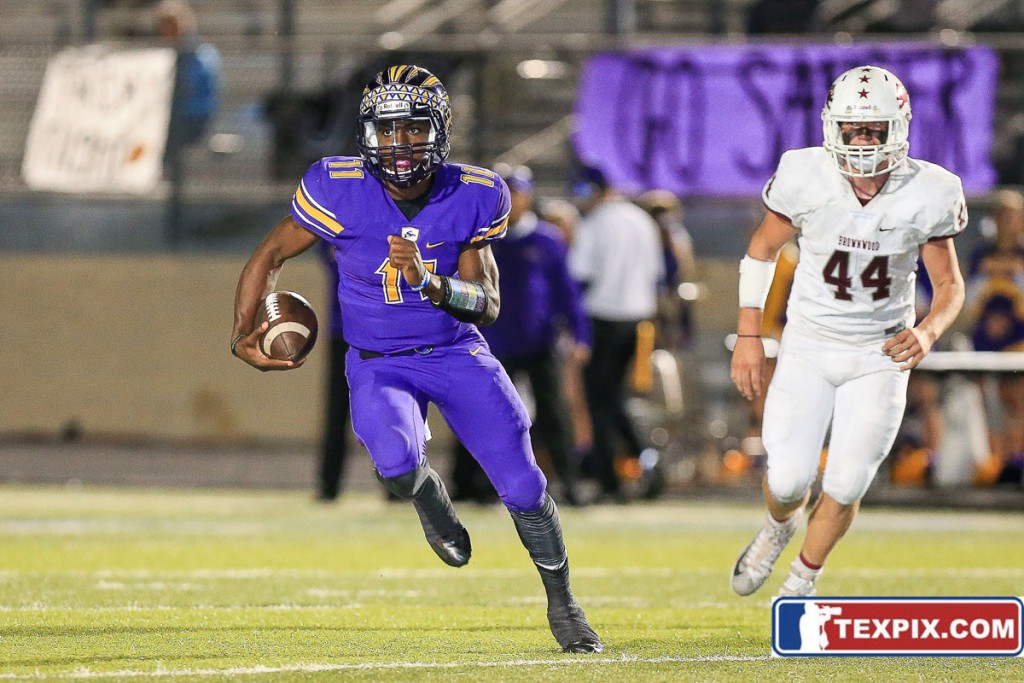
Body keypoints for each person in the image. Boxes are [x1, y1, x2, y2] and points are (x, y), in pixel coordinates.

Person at [229, 65, 602, 653]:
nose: (400, 146)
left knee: (524, 482)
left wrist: (433, 285)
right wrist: (241, 333)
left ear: (441, 131)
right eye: (388, 131)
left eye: (413, 130)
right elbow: (269, 254)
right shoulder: (336, 185)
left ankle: (563, 601)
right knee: (396, 460)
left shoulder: (475, 192)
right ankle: (430, 497)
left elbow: (489, 305)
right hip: (378, 360)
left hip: (455, 351)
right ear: (367, 134)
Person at [729, 65, 966, 597]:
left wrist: (927, 333)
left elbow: (950, 284)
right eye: (853, 129)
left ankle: (801, 582)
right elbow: (762, 251)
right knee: (788, 481)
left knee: (848, 479)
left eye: (874, 130)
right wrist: (749, 336)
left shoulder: (931, 190)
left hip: (881, 351)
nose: (862, 141)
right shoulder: (804, 173)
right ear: (832, 127)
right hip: (810, 342)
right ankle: (778, 526)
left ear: (898, 128)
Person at [449, 164, 591, 506]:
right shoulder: (477, 238)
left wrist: (580, 333)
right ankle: (472, 484)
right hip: (491, 341)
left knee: (554, 414)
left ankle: (569, 483)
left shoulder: (546, 240)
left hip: (538, 341)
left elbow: (565, 291)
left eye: (517, 193)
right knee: (482, 413)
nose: (512, 201)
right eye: (506, 193)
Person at [568, 166, 665, 501]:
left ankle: (610, 477)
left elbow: (580, 274)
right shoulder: (641, 219)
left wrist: (571, 321)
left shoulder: (596, 223)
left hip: (602, 318)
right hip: (639, 320)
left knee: (600, 401)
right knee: (614, 398)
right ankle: (644, 459)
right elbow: (657, 274)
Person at [316, 242, 351, 502]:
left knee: (391, 413)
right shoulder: (337, 223)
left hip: (385, 332)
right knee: (336, 412)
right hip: (344, 331)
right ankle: (328, 486)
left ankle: (399, 486)